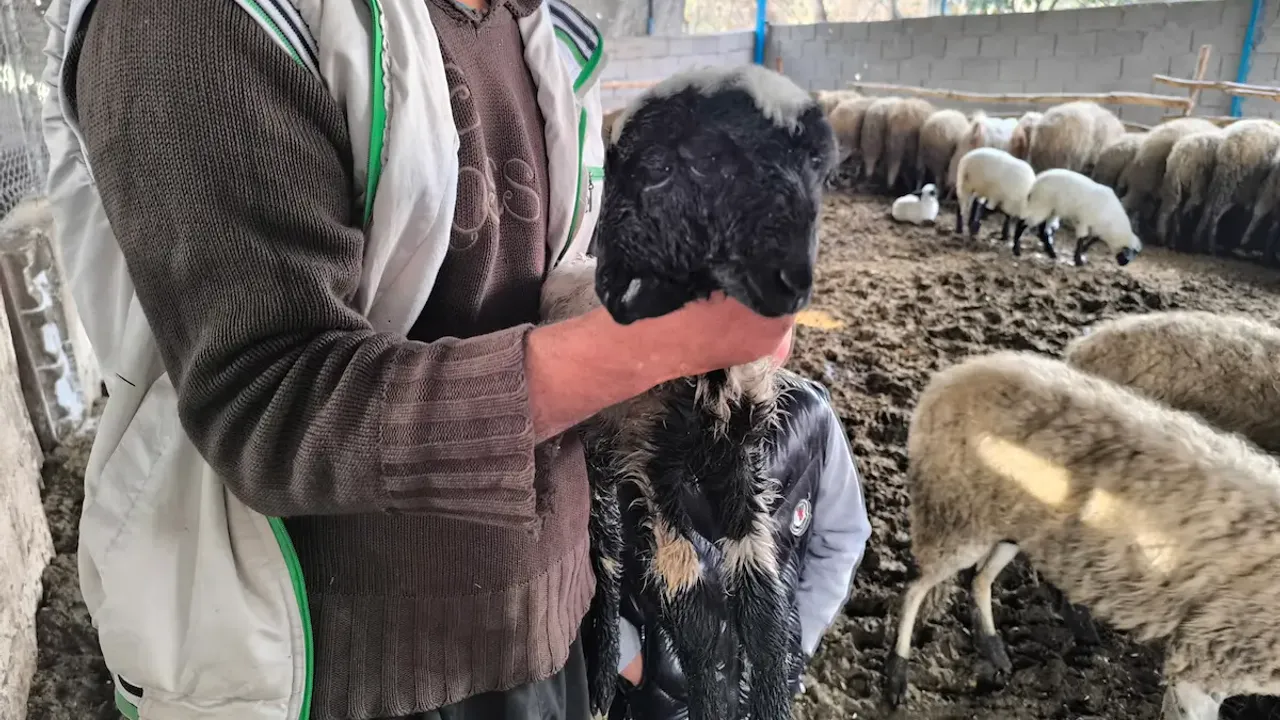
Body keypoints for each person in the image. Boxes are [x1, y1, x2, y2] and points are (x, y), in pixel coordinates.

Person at [40, 1, 794, 719]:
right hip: (333, 670)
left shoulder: (545, 32)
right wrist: (638, 347)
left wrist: (669, 309)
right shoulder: (196, 24)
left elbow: (520, 275)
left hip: (540, 625)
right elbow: (271, 400)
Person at [608, 335, 870, 720]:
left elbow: (842, 536)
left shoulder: (812, 418)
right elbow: (583, 556)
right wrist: (632, 658)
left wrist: (798, 637)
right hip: (663, 697)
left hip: (765, 686)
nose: (755, 332)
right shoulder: (622, 428)